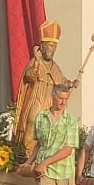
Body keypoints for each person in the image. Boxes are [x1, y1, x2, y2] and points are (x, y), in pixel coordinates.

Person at [14, 20, 68, 162]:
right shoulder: (35, 61)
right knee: (32, 120)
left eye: (55, 46)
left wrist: (72, 83)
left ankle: (43, 154)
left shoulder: (55, 67)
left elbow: (62, 82)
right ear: (43, 46)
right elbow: (29, 77)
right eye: (50, 45)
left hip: (50, 100)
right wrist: (37, 62)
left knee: (48, 126)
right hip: (36, 97)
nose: (53, 49)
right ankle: (25, 152)